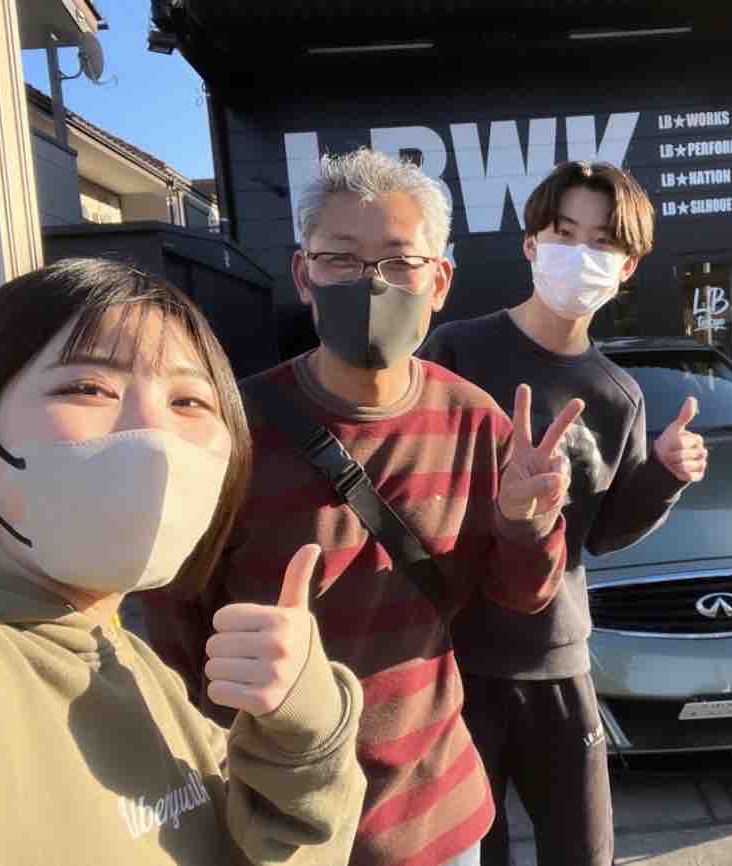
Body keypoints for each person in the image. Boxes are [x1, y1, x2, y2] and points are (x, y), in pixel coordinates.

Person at [144, 148, 578, 866]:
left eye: (400, 262)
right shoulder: (231, 430)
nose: (372, 283)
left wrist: (527, 525)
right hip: (276, 823)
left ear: (439, 281)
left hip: (434, 813)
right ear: (303, 274)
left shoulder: (475, 420)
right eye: (341, 259)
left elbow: (520, 595)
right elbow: (170, 629)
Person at [0, 259, 366, 866]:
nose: (154, 432)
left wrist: (305, 733)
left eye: (189, 400)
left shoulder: (134, 664)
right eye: (88, 388)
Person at [419, 160, 709, 866]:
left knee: (583, 850)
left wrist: (664, 475)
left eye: (603, 242)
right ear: (531, 244)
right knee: (467, 853)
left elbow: (601, 535)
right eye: (564, 232)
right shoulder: (455, 351)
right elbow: (412, 489)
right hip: (454, 659)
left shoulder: (617, 394)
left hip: (557, 656)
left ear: (627, 266)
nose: (580, 254)